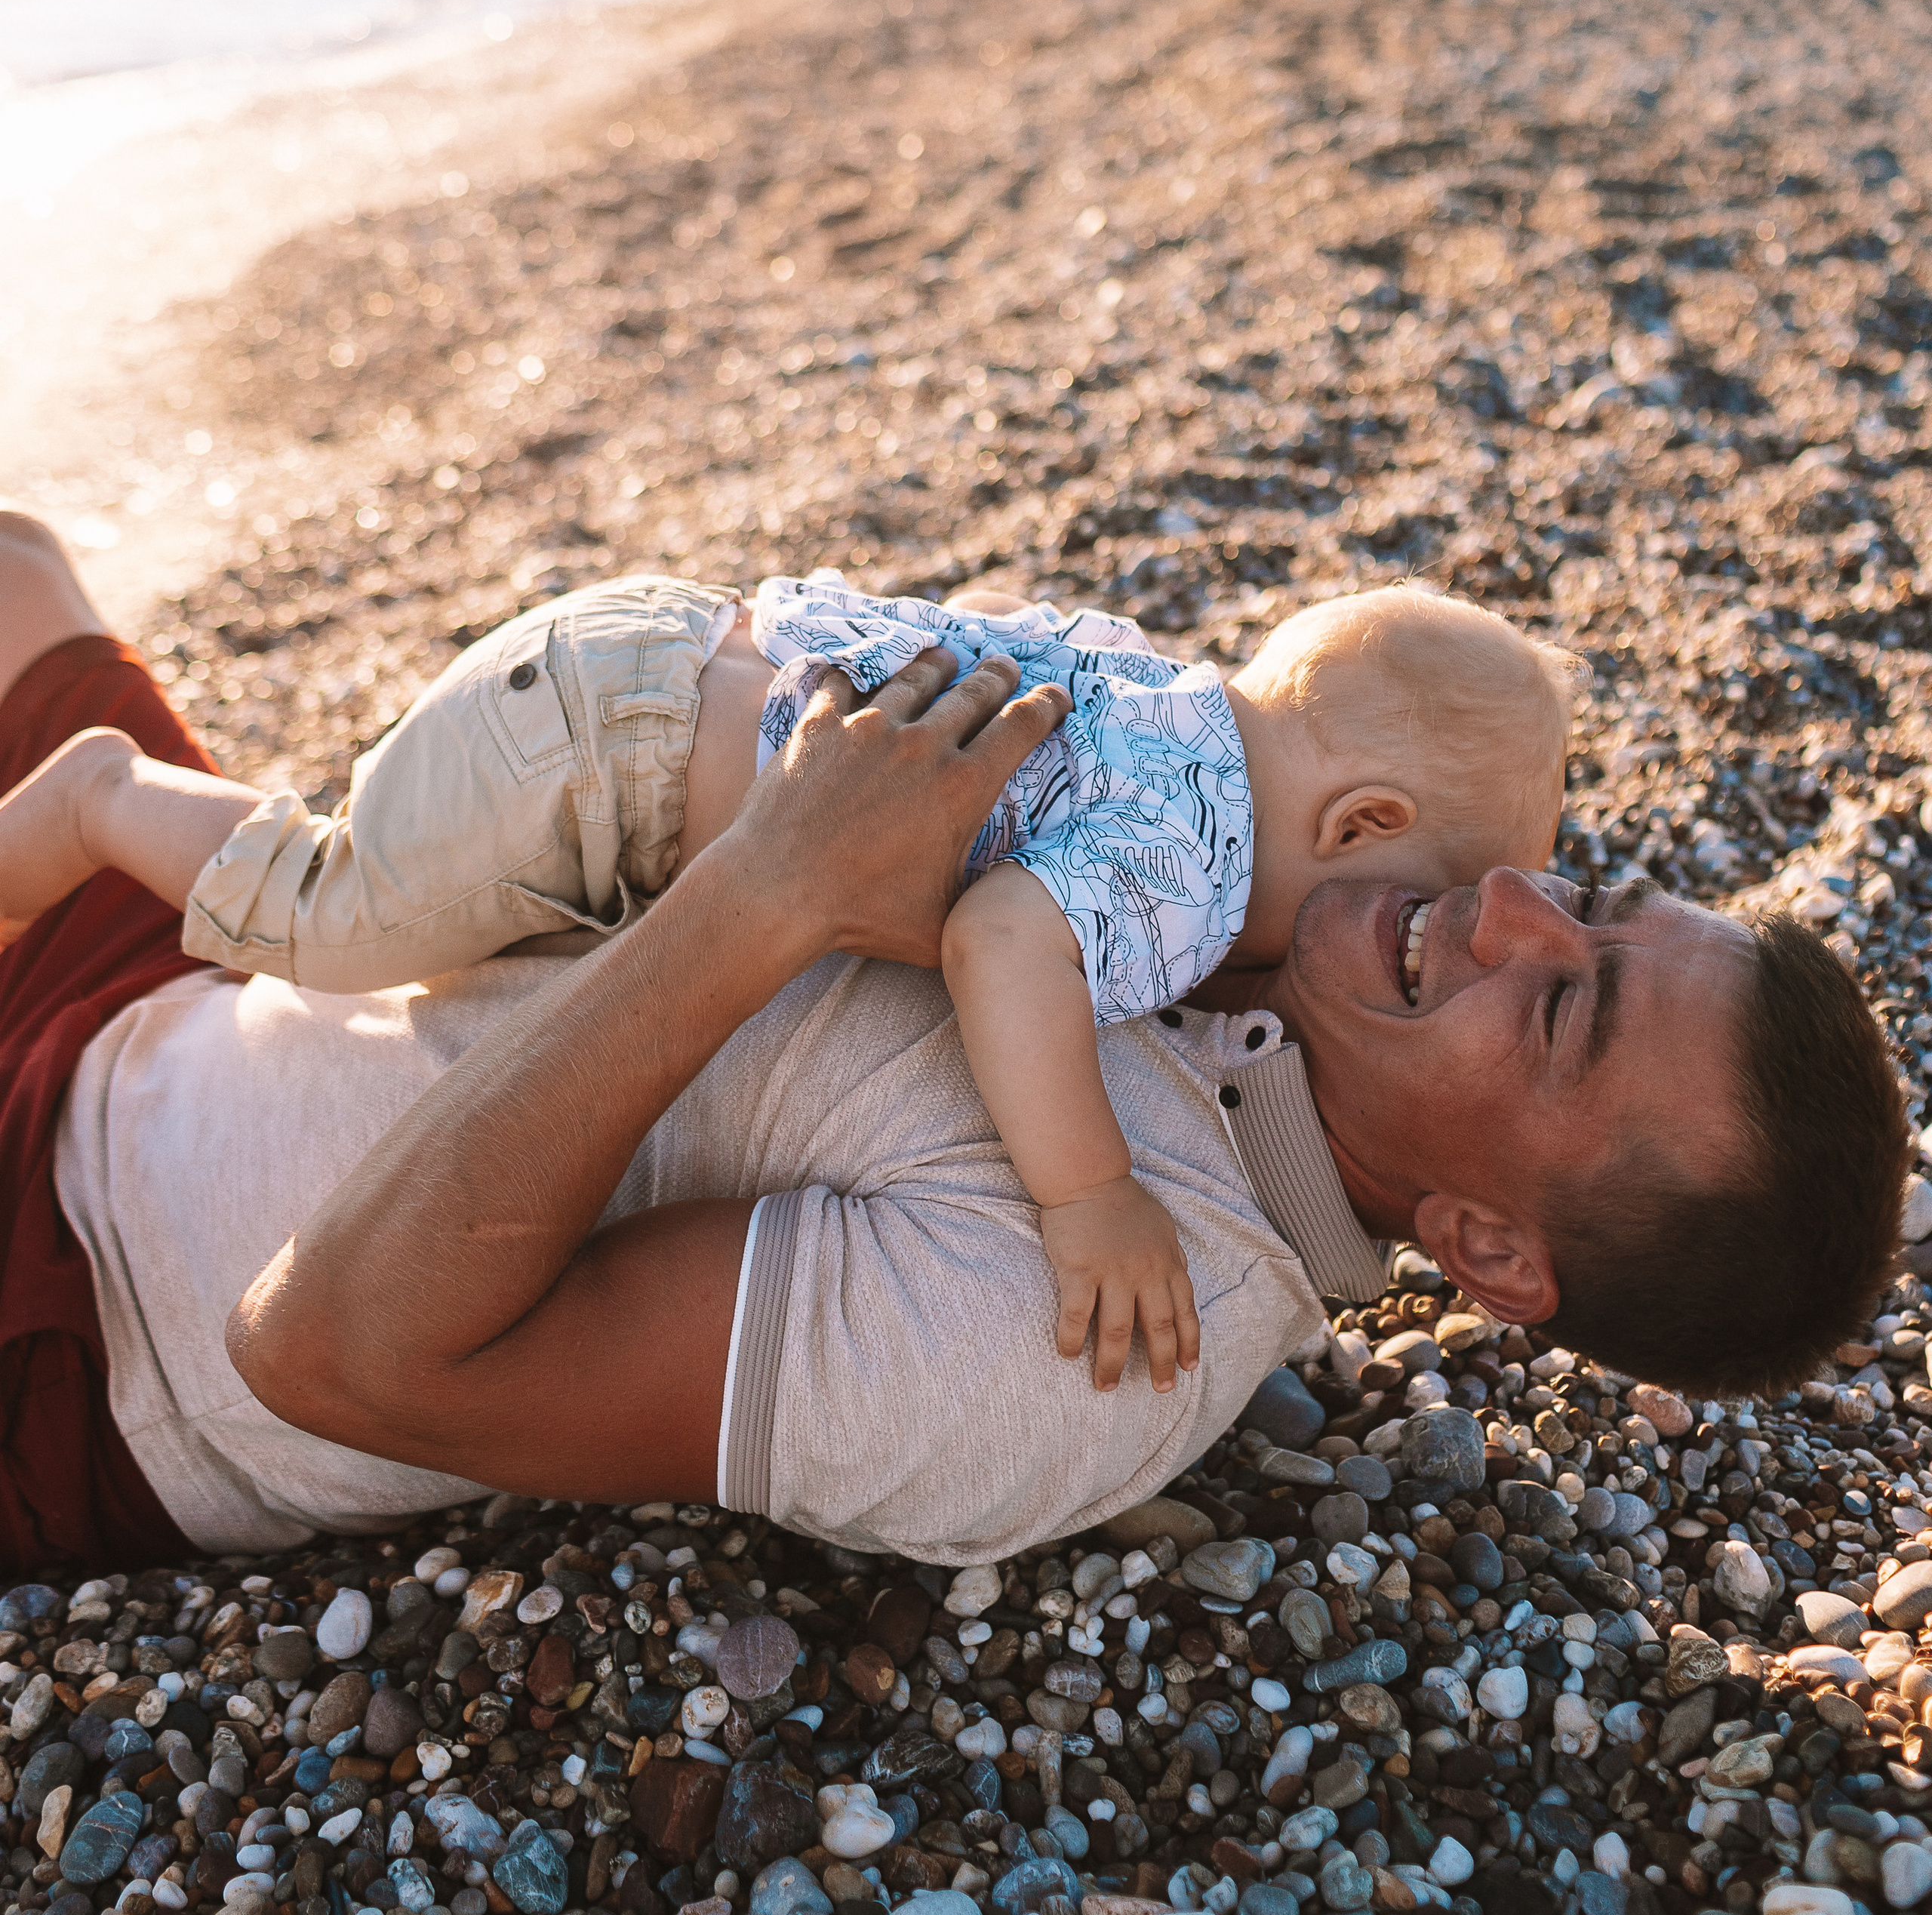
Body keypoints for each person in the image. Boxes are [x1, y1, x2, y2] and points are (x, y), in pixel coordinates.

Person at [0, 509, 1908, 1578]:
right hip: (192, 986)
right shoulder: (1226, 916)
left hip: (85, 1309)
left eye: (1561, 997)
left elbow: (334, 1349)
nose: (1507, 909)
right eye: (1586, 901)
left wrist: (768, 893)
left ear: (1488, 1250)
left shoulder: (1069, 1345)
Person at [0, 565, 1580, 1394]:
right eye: (1421, 895)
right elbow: (1004, 944)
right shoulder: (1202, 861)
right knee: (328, 913)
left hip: (660, 668)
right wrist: (1089, 1192)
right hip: (593, 763)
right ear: (1358, 822)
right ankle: (97, 799)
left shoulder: (1172, 705)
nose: (1435, 932)